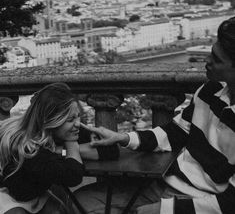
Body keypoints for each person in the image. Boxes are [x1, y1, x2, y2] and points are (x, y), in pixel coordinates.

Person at [76, 17, 235, 214]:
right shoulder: (210, 90)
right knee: (78, 201)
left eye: (217, 59)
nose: (207, 61)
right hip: (163, 186)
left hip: (197, 202)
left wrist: (164, 209)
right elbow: (173, 134)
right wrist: (123, 138)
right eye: (212, 53)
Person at [0, 82, 119, 214]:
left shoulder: (59, 130)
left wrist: (60, 150)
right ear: (50, 121)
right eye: (70, 120)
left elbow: (111, 150)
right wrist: (71, 145)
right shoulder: (28, 148)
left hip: (32, 196)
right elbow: (73, 176)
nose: (78, 124)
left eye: (78, 116)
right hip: (10, 198)